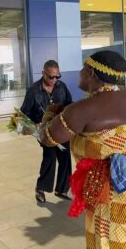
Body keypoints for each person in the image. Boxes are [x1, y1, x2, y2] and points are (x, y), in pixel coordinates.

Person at [38, 50, 126, 248]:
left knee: (106, 239)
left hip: (108, 191)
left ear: (92, 73)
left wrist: (50, 115)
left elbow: (47, 138)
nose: (79, 72)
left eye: (83, 69)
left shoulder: (81, 110)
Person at [21, 60, 72, 203]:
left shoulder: (62, 87)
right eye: (51, 77)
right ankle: (41, 188)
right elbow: (23, 114)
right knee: (49, 157)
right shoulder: (33, 91)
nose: (54, 80)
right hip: (43, 131)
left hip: (61, 128)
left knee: (65, 156)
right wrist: (33, 126)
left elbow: (69, 105)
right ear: (43, 73)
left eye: (57, 76)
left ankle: (62, 189)